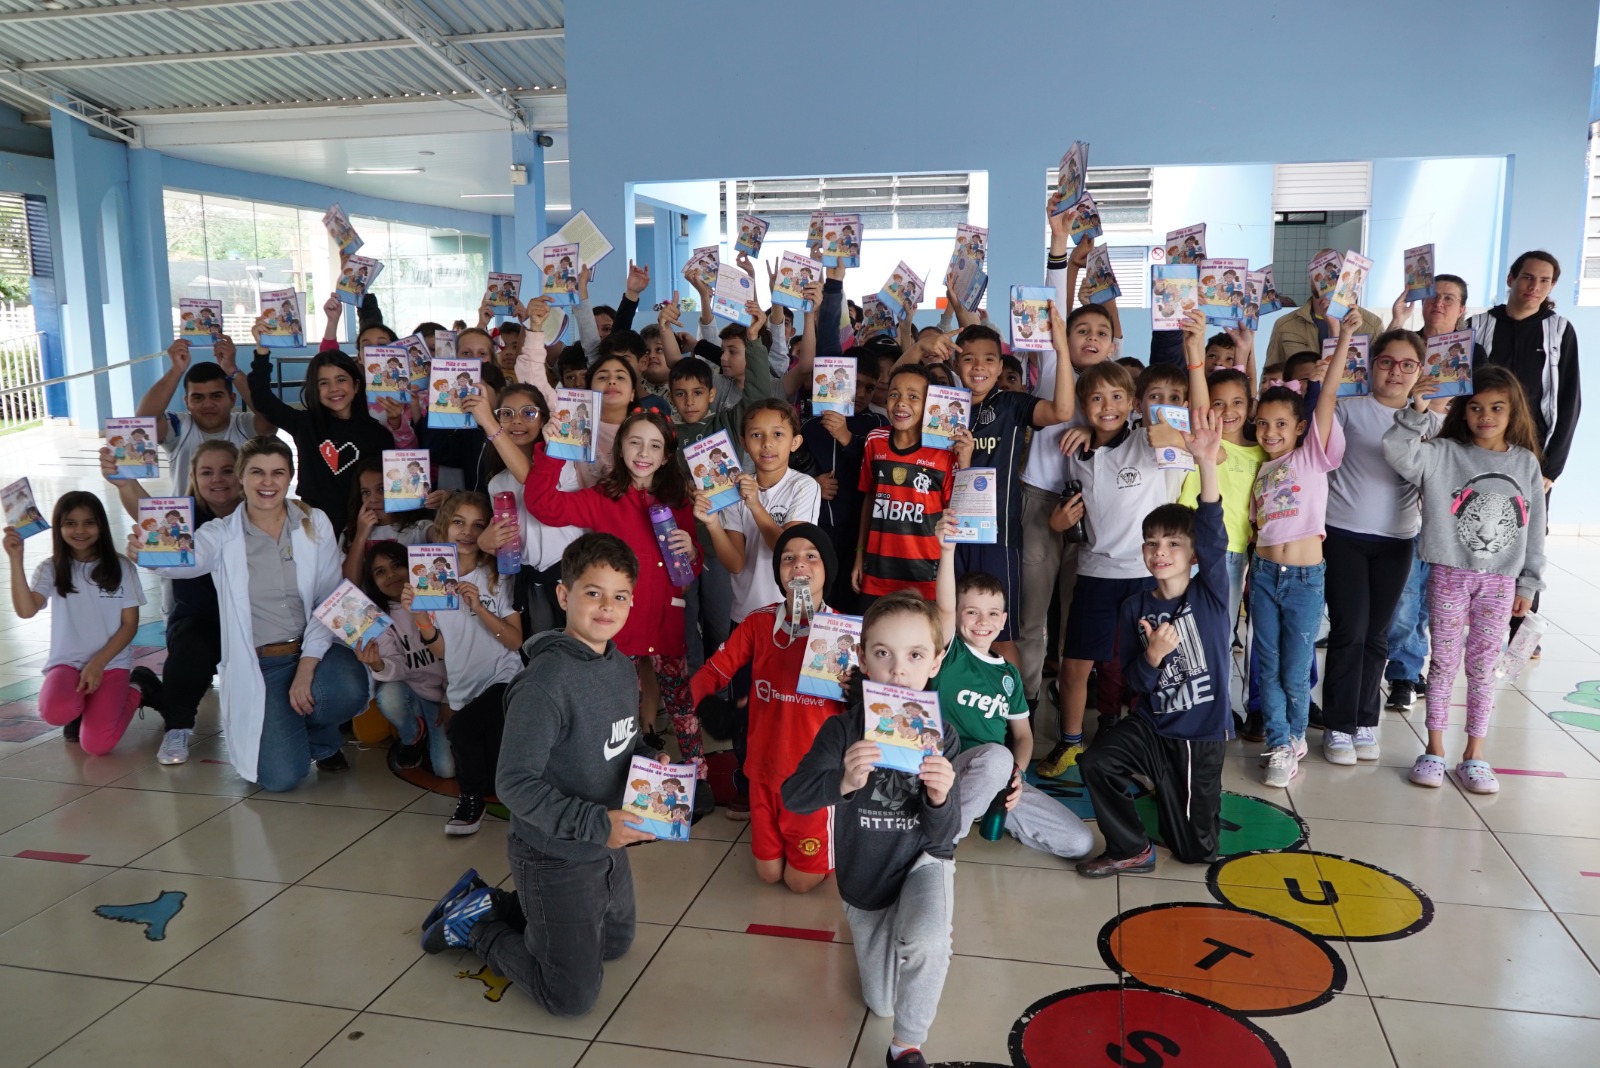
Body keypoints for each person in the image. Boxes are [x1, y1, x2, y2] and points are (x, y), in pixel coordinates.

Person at [418, 534, 661, 1018]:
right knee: (570, 997)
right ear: (564, 596)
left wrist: (655, 768)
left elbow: (624, 741)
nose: (607, 607)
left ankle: (497, 903)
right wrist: (597, 824)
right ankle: (475, 927)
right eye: (593, 593)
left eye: (619, 596)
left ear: (632, 601)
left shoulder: (619, 666)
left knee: (615, 943)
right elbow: (514, 784)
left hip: (602, 843)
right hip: (552, 853)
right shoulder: (544, 685)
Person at [783, 591, 961, 1068]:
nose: (898, 670)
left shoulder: (941, 735)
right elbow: (793, 795)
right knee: (880, 1003)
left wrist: (939, 796)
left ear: (935, 662)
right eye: (883, 653)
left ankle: (907, 1047)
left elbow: (944, 834)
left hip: (923, 860)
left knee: (927, 941)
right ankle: (894, 939)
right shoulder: (842, 731)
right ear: (862, 659)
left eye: (915, 655)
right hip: (865, 879)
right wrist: (842, 781)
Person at [138, 436, 370, 791]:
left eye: (278, 472)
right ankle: (295, 729)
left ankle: (318, 733)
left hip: (316, 651)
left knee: (349, 688)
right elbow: (188, 562)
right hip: (263, 664)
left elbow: (330, 599)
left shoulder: (313, 521)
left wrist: (306, 667)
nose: (268, 482)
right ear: (241, 478)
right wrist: (151, 555)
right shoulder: (221, 533)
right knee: (280, 778)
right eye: (257, 472)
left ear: (289, 477)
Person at [1076, 408, 1231, 876]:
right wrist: (1152, 656)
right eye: (1151, 543)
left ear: (1193, 554)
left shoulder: (1211, 594)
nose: (1160, 552)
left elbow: (1213, 531)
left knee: (1194, 851)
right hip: (1151, 726)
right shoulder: (1135, 606)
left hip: (1198, 738)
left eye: (1173, 544)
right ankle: (1131, 848)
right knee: (1096, 761)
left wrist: (1206, 464)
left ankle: (1170, 795)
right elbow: (1134, 681)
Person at [1384, 366, 1546, 795]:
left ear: (1513, 412)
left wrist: (1529, 583)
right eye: (1475, 407)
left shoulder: (1525, 463)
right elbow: (1398, 453)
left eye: (1497, 408)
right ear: (1463, 410)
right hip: (1449, 572)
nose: (1485, 416)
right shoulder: (1443, 452)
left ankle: (1474, 754)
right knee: (1442, 663)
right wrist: (1417, 410)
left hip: (1500, 581)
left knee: (1482, 667)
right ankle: (1434, 749)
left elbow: (1535, 528)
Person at [526, 408, 706, 775]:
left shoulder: (679, 502)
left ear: (666, 456)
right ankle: (622, 780)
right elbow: (543, 505)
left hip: (665, 621)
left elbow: (690, 569)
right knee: (620, 712)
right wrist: (555, 449)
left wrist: (691, 552)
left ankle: (697, 775)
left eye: (654, 446)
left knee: (682, 707)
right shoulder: (602, 497)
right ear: (620, 447)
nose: (643, 453)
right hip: (617, 628)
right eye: (635, 442)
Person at [1036, 360, 1185, 777]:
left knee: (1148, 664)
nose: (1107, 406)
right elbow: (1066, 515)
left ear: (1133, 403)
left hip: (1144, 575)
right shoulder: (1076, 452)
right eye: (1097, 399)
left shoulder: (1147, 441)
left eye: (1117, 397)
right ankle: (1070, 742)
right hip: (1094, 573)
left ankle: (1145, 745)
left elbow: (1193, 443)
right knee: (1074, 666)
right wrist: (1058, 523)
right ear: (1083, 406)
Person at [690, 524, 843, 892]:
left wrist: (858, 694)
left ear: (827, 569)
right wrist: (710, 708)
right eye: (788, 558)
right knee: (769, 874)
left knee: (798, 883)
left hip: (813, 779)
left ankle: (835, 833)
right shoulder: (759, 624)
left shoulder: (843, 633)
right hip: (761, 772)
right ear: (778, 573)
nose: (799, 564)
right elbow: (706, 675)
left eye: (811, 556)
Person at [932, 521, 1092, 860]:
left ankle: (974, 807)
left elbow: (1023, 736)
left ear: (1004, 620)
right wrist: (947, 552)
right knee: (996, 757)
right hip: (946, 769)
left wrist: (1016, 776)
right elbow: (943, 607)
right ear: (957, 616)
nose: (982, 621)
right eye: (971, 612)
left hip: (997, 777)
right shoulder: (949, 653)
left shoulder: (1008, 674)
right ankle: (940, 845)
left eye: (992, 613)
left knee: (1079, 842)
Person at [1318, 329, 1437, 765]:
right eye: (1386, 362)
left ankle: (1365, 719)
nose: (1396, 372)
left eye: (1408, 365)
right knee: (1350, 630)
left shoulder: (1430, 422)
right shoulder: (1350, 409)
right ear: (1371, 365)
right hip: (1343, 534)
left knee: (1377, 634)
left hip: (1398, 540)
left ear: (1420, 371)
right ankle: (1338, 724)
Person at [1250, 312, 1349, 788]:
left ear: (1299, 428)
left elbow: (1326, 395)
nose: (1270, 432)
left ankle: (1292, 735)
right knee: (1266, 665)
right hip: (1264, 575)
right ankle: (1280, 741)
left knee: (1294, 669)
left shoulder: (1311, 457)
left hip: (1306, 581)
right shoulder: (1261, 470)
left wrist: (1342, 337)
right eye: (1263, 424)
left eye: (1281, 424)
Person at [101, 439, 242, 765]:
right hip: (199, 621)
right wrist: (125, 481)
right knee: (191, 652)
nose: (217, 479)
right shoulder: (183, 516)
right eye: (207, 472)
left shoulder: (258, 514)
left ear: (243, 475)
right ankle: (176, 727)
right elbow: (144, 509)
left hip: (253, 621)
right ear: (193, 476)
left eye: (227, 471)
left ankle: (151, 689)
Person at [408, 492, 525, 834]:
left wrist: (480, 609)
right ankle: (484, 787)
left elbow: (515, 641)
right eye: (459, 522)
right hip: (463, 684)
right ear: (444, 526)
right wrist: (421, 619)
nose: (467, 532)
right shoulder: (430, 579)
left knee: (464, 729)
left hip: (504, 679)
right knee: (482, 766)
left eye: (478, 525)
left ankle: (470, 801)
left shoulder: (498, 575)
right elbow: (443, 651)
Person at [5, 492, 155, 756]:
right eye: (70, 523)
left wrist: (98, 664)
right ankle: (83, 705)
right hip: (67, 664)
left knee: (97, 745)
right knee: (56, 712)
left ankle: (138, 689)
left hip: (111, 665)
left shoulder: (122, 567)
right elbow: (26, 611)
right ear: (59, 527)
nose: (80, 530)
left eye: (89, 522)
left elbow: (129, 625)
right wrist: (15, 559)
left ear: (101, 526)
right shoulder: (51, 568)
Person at [245, 346, 397, 533]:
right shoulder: (304, 423)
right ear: (314, 389)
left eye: (341, 380)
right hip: (312, 522)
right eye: (324, 383)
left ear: (356, 386)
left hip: (363, 524)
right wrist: (262, 353)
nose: (334, 388)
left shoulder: (378, 434)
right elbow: (262, 399)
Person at [1466, 250, 1581, 492]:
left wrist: (1551, 469)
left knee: (1525, 516)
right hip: (1477, 448)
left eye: (1544, 280)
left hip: (1535, 453)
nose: (1534, 287)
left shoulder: (1559, 330)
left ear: (1552, 286)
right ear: (1511, 279)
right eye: (1527, 277)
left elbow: (1569, 400)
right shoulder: (1475, 326)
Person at [852, 365, 957, 604]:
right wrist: (859, 554)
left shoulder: (945, 452)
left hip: (926, 578)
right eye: (894, 394)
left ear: (930, 405)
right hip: (876, 573)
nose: (901, 403)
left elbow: (953, 513)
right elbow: (870, 498)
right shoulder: (875, 440)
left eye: (913, 396)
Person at [357, 541, 451, 776]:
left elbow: (458, 656)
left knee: (446, 770)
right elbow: (398, 668)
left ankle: (430, 735)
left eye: (397, 565)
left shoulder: (437, 597)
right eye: (380, 572)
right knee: (389, 696)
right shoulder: (376, 617)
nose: (391, 575)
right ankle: (412, 736)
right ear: (373, 582)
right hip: (412, 694)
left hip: (448, 694)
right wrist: (378, 664)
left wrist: (450, 699)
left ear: (413, 566)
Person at [135, 336, 269, 496]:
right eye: (198, 397)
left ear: (232, 399)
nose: (207, 404)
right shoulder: (179, 427)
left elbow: (269, 415)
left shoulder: (245, 426)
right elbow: (143, 422)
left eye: (216, 396)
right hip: (188, 512)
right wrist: (176, 370)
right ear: (187, 402)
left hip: (239, 512)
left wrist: (232, 369)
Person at [1264, 250, 1385, 367]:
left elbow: (1381, 373)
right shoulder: (1284, 326)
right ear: (1310, 279)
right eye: (1317, 271)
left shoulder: (1372, 326)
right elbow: (1270, 375)